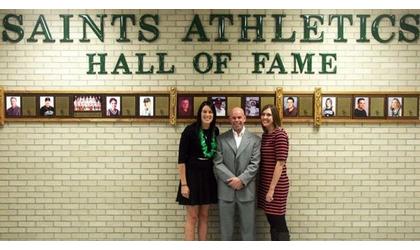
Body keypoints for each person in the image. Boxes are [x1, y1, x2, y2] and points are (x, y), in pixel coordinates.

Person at [213, 107, 261, 240]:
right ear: (229, 119)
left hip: (246, 191)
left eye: (239, 117)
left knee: (248, 231)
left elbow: (254, 164)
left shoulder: (255, 140)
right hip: (226, 191)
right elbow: (218, 163)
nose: (237, 120)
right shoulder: (220, 139)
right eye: (233, 117)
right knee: (226, 231)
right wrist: (233, 180)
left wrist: (241, 180)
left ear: (244, 118)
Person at [176, 101, 219, 240]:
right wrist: (184, 184)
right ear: (199, 114)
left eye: (210, 112)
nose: (207, 115)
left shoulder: (215, 131)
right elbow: (181, 160)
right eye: (204, 111)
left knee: (204, 216)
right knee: (192, 216)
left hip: (207, 176)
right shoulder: (190, 130)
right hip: (192, 177)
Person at [258, 104, 290, 241]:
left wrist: (271, 190)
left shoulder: (280, 134)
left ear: (274, 117)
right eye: (263, 114)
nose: (265, 117)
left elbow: (280, 163)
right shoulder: (266, 135)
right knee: (272, 221)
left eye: (269, 115)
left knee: (278, 221)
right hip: (266, 184)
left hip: (276, 186)